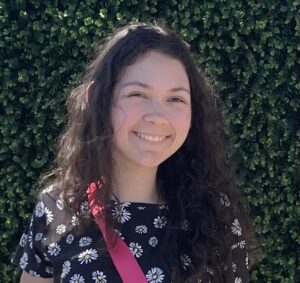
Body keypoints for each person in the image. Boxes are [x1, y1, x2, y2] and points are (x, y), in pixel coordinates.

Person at [12, 22, 256, 283]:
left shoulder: (215, 215)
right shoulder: (55, 209)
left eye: (176, 99)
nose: (158, 117)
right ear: (98, 99)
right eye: (138, 94)